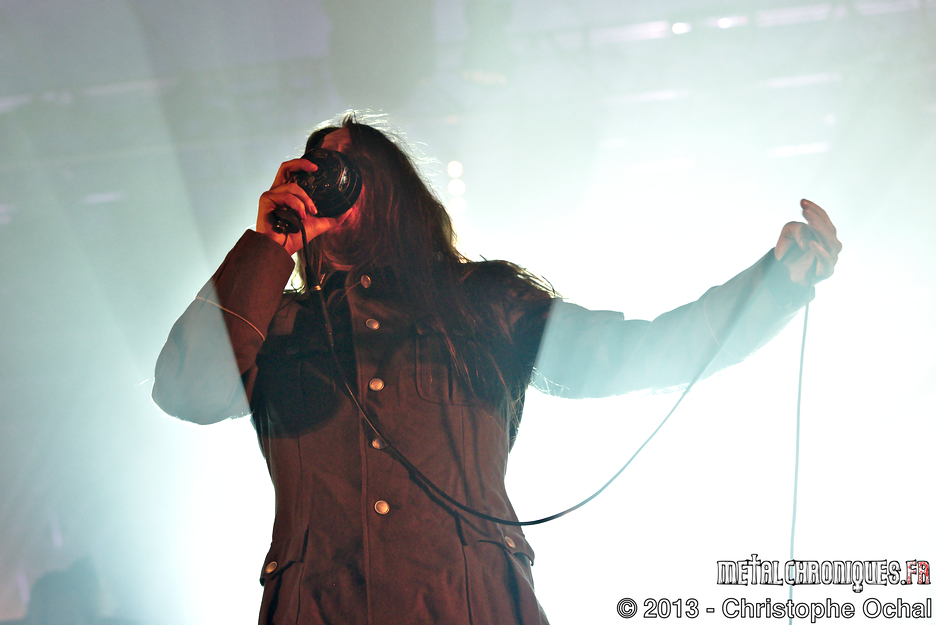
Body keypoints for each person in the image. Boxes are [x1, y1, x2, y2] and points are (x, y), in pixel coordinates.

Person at [152, 113, 841, 625]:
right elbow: (187, 389)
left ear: (391, 190)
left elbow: (638, 351)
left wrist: (774, 285)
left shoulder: (484, 301)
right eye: (316, 168)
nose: (328, 179)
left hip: (469, 604)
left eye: (348, 167)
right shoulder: (279, 322)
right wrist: (269, 245)